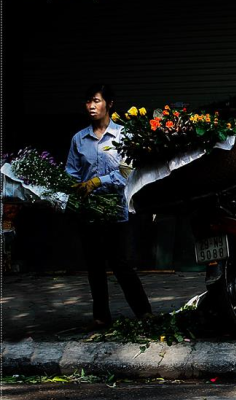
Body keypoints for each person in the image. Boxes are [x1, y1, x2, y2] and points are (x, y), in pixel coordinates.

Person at [66, 84, 152, 328]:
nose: (91, 106)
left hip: (115, 209)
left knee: (120, 263)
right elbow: (71, 172)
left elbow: (125, 172)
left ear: (109, 104)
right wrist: (73, 189)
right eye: (88, 102)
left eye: (96, 100)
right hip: (88, 210)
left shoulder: (124, 136)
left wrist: (97, 181)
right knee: (94, 265)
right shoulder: (78, 139)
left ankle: (144, 312)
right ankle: (101, 316)